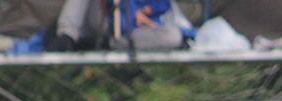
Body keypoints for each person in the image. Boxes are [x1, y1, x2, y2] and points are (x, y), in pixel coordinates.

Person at [48, 0, 190, 51]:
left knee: (173, 36)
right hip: (103, 23)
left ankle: (111, 44)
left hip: (133, 34)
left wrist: (146, 12)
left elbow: (162, 5)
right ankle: (66, 36)